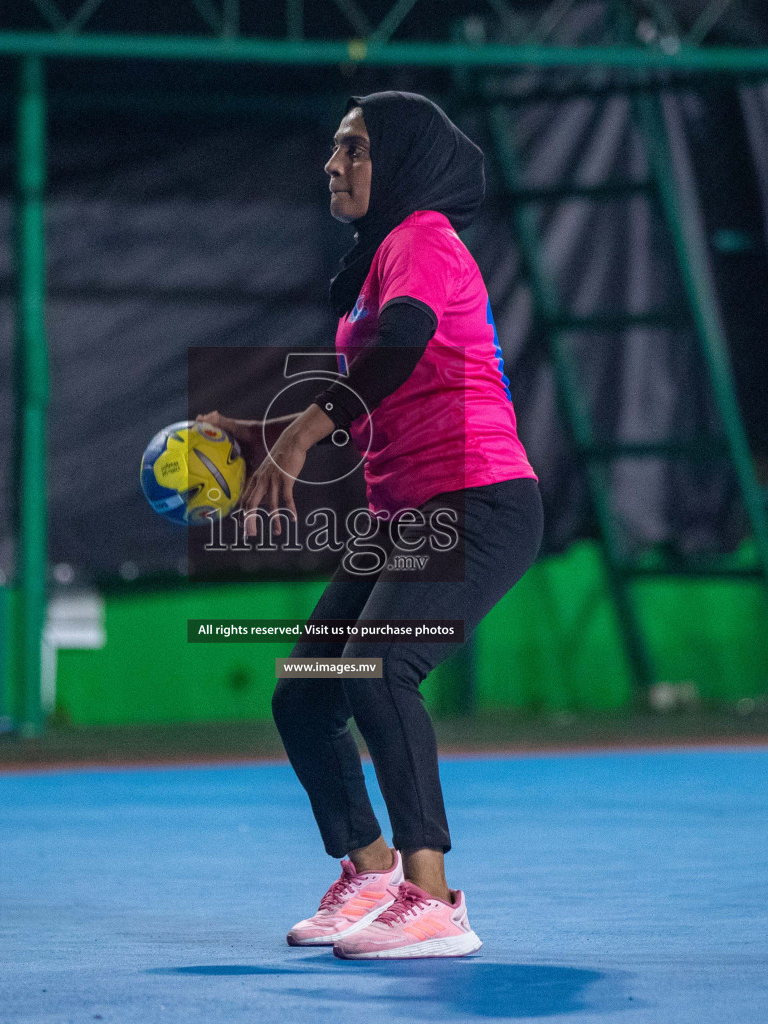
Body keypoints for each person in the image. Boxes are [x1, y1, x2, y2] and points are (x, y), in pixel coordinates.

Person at [200, 91, 542, 960]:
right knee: (304, 695)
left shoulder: (421, 235)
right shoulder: (381, 258)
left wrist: (308, 432)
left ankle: (435, 901)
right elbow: (374, 390)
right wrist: (262, 436)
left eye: (354, 149)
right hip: (409, 514)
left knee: (382, 668)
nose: (333, 164)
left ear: (402, 162)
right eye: (334, 149)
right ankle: (375, 872)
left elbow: (405, 347)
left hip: (482, 500)